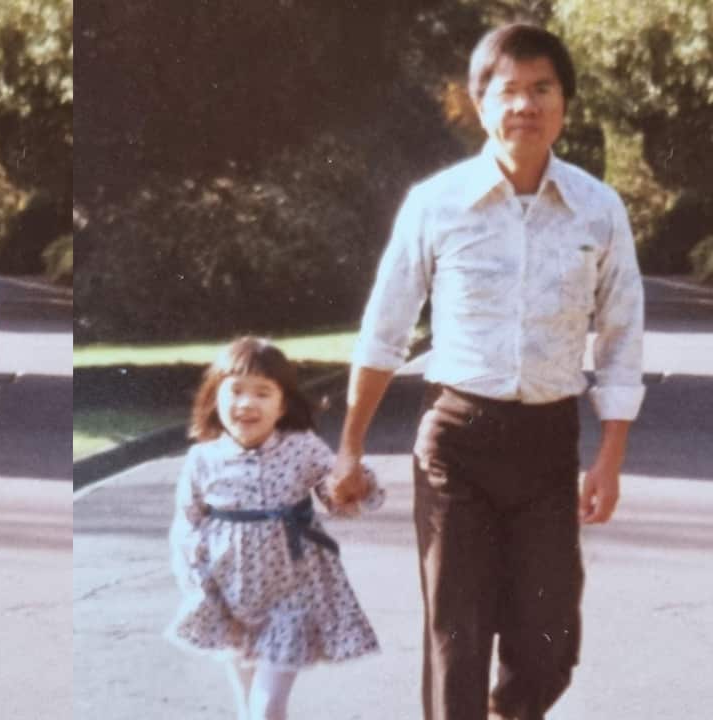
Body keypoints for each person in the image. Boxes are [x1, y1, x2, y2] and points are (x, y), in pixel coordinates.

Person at [330, 22, 646, 720]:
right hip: (457, 443)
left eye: (542, 90)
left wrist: (610, 458)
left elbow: (622, 337)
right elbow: (384, 330)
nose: (525, 106)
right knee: (457, 639)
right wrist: (350, 445)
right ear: (481, 104)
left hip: (546, 446)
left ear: (565, 103)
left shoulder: (599, 209)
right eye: (509, 91)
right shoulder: (436, 204)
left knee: (549, 644)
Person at [167, 337, 384, 720]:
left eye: (263, 393)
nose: (247, 403)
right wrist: (196, 582)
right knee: (247, 708)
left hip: (292, 594)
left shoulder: (302, 447)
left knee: (267, 709)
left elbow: (337, 495)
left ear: (283, 404)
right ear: (214, 398)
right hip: (227, 597)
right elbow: (187, 526)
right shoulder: (203, 459)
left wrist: (355, 483)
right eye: (235, 391)